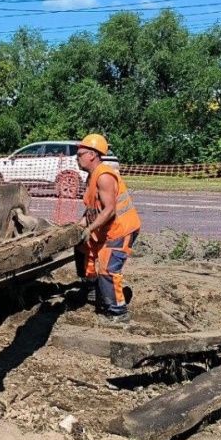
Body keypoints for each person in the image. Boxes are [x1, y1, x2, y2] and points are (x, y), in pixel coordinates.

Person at [75, 134, 142, 323]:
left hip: (120, 229)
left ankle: (117, 312)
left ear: (92, 155)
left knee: (108, 269)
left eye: (80, 154)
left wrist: (89, 229)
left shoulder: (104, 176)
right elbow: (92, 208)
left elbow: (110, 210)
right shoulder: (92, 176)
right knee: (82, 249)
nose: (77, 158)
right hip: (105, 228)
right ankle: (91, 289)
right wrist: (80, 225)